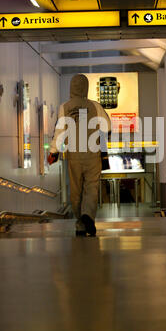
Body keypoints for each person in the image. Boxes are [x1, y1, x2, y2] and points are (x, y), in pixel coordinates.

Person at [48, 74, 111, 236]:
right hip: (93, 154)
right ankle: (87, 215)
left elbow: (59, 132)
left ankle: (80, 223)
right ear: (86, 87)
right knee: (91, 187)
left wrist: (53, 152)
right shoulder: (95, 106)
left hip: (73, 156)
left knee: (75, 191)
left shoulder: (65, 107)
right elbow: (107, 126)